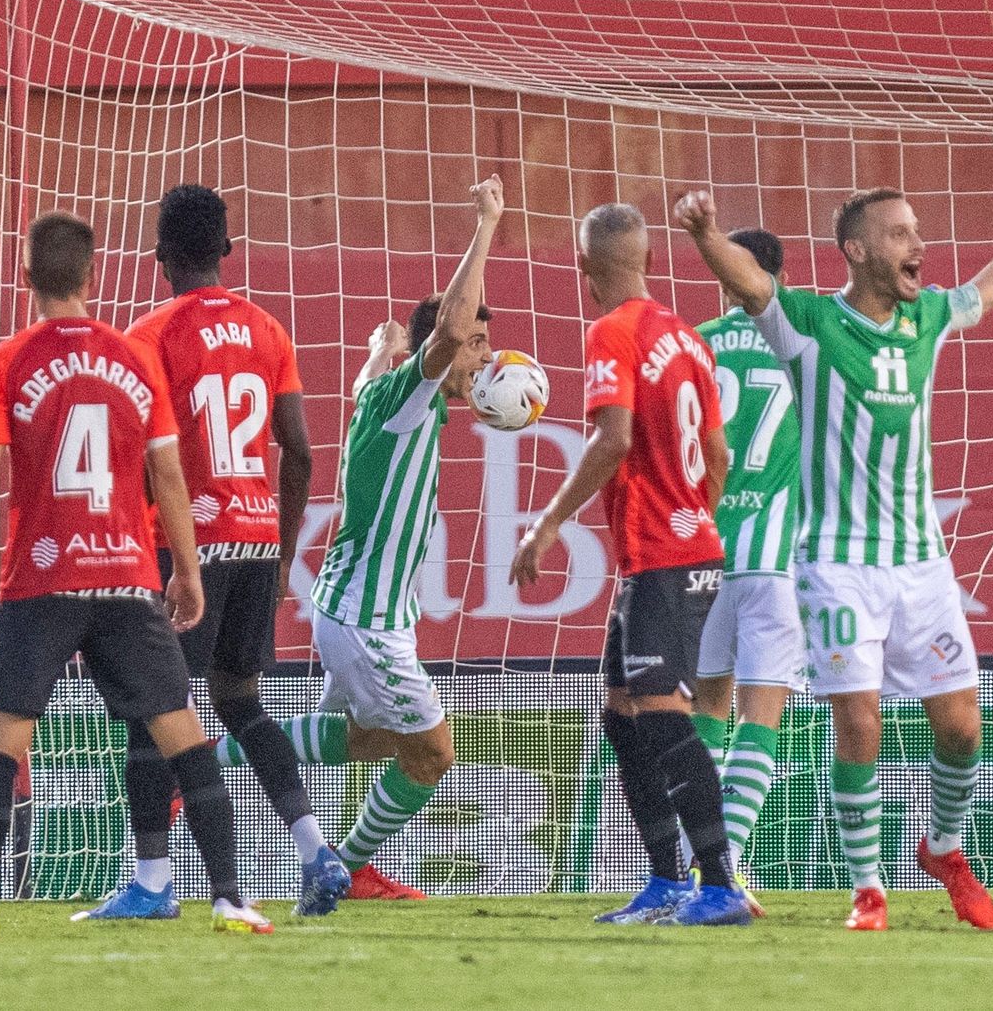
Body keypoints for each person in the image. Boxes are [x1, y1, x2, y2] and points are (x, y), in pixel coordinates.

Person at [675, 185, 993, 931]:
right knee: (860, 723)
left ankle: (943, 848)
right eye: (899, 234)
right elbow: (754, 286)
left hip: (922, 565)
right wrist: (706, 235)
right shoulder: (810, 323)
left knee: (963, 729)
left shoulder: (929, 317)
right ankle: (868, 889)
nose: (919, 245)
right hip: (835, 564)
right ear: (856, 251)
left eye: (917, 231)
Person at [0, 211, 271, 936]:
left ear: (25, 276)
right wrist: (188, 572)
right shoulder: (135, 358)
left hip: (41, 582)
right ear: (92, 274)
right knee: (183, 735)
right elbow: (168, 476)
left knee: (2, 743)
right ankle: (231, 898)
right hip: (126, 578)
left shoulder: (5, 362)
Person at [70, 184, 346, 921]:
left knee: (153, 710)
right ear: (227, 248)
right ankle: (316, 850)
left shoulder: (148, 335)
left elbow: (136, 458)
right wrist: (282, 554)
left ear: (159, 256)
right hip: (255, 538)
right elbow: (300, 452)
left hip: (184, 546)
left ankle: (153, 881)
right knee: (240, 702)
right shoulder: (268, 329)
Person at [510, 202, 748, 926]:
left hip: (663, 558)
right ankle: (667, 880)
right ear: (647, 259)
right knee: (623, 716)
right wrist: (692, 513)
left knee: (663, 717)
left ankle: (719, 885)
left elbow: (611, 439)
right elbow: (718, 455)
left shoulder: (610, 332)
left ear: (584, 267)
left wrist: (548, 523)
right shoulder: (687, 337)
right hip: (679, 550)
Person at [263, 175, 501, 900]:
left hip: (354, 610)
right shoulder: (412, 396)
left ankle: (211, 757)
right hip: (367, 621)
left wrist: (380, 347)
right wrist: (486, 225)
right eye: (478, 345)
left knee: (372, 741)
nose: (483, 359)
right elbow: (447, 334)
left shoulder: (386, 393)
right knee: (432, 754)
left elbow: (366, 381)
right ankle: (352, 864)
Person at [690, 229, 804, 918]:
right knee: (760, 715)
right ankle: (724, 872)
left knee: (707, 710)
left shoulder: (697, 343)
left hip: (704, 559)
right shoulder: (805, 341)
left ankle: (706, 869)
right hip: (774, 560)